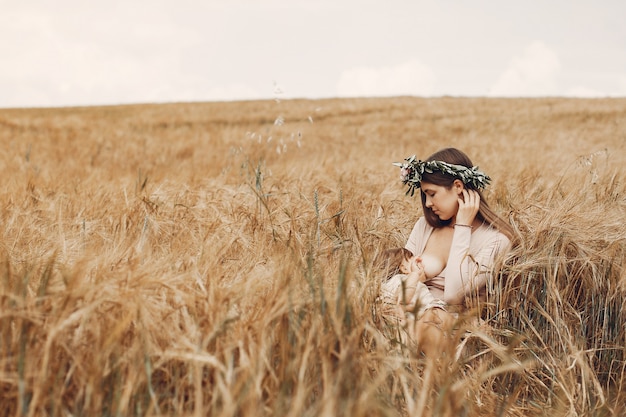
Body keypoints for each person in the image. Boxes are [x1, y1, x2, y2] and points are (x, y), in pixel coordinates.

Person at [384, 147, 514, 358]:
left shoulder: (496, 240)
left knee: (428, 328)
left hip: (453, 332)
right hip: (409, 313)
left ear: (458, 187)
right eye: (425, 195)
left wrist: (462, 226)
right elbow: (403, 276)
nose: (427, 203)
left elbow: (454, 293)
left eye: (432, 194)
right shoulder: (424, 226)